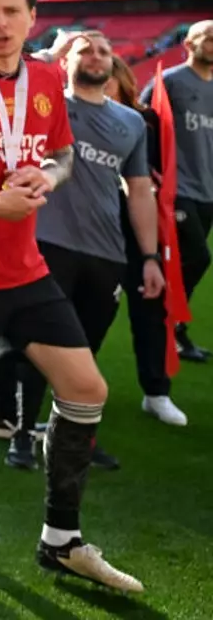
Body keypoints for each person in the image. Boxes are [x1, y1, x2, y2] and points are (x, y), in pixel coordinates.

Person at [0, 0, 141, 591]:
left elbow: (63, 153)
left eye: (10, 12)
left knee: (86, 388)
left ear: (31, 19)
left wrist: (46, 176)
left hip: (24, 268)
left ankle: (62, 540)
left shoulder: (48, 77)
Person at [0, 32, 164, 471]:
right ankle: (22, 438)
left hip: (106, 252)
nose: (97, 56)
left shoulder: (132, 122)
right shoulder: (46, 102)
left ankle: (73, 439)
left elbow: (139, 190)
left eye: (105, 50)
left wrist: (151, 256)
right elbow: (8, 73)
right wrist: (52, 51)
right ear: (67, 60)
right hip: (46, 242)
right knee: (36, 343)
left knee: (85, 348)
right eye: (86, 49)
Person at [107, 54, 189, 425]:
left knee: (151, 312)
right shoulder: (67, 114)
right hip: (86, 228)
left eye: (108, 78)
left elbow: (152, 179)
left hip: (137, 225)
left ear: (122, 81)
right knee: (80, 314)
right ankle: (60, 391)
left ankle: (156, 392)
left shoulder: (145, 122)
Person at [139, 19, 213, 363]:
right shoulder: (169, 82)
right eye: (207, 38)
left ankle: (167, 320)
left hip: (207, 190)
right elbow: (141, 123)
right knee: (198, 256)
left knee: (191, 260)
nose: (212, 43)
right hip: (176, 187)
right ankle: (168, 322)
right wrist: (147, 171)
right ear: (188, 44)